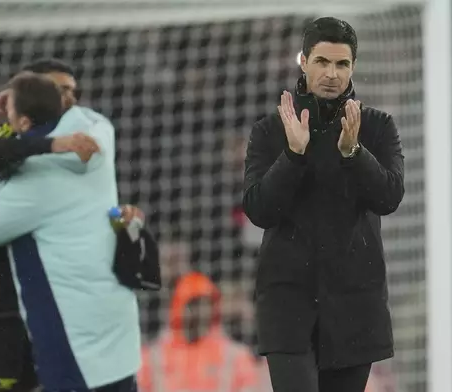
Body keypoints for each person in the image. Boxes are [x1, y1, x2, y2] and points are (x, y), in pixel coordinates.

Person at [0, 72, 140, 391]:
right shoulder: (97, 133)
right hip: (108, 329)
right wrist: (52, 141)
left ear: (23, 122)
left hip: (48, 330)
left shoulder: (32, 183)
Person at [242, 17, 404, 392]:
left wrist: (354, 153)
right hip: (287, 304)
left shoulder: (377, 128)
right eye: (322, 62)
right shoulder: (270, 131)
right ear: (304, 61)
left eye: (341, 64)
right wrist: (294, 154)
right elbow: (259, 209)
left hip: (354, 305)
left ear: (353, 67)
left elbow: (390, 197)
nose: (332, 74)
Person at [138, 272, 259, 392]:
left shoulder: (234, 355)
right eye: (194, 304)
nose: (202, 312)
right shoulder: (153, 356)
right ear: (178, 305)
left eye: (207, 304)